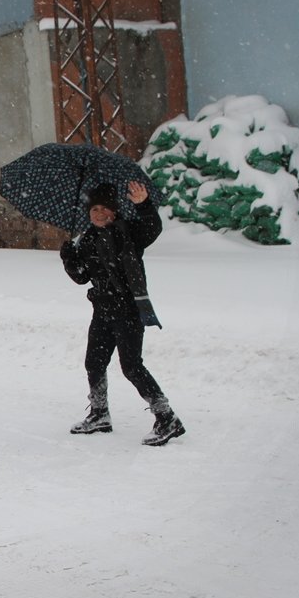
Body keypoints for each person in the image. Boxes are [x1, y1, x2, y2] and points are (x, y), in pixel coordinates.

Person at [59, 181, 185, 446]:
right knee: (94, 363)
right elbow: (82, 278)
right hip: (102, 310)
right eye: (94, 208)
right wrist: (69, 258)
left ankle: (167, 417)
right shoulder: (87, 240)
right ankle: (99, 414)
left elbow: (153, 227)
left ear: (114, 211)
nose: (99, 213)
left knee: (131, 366)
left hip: (128, 310)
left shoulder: (127, 232)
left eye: (105, 208)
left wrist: (144, 204)